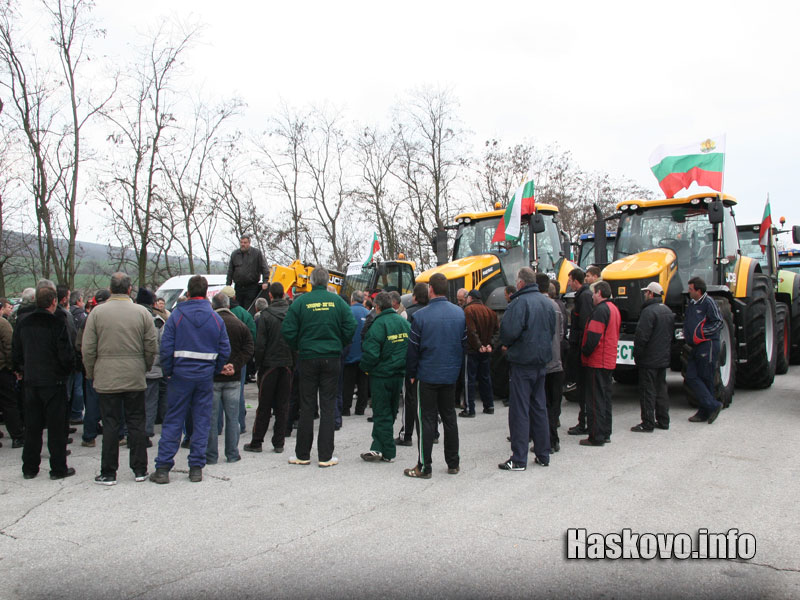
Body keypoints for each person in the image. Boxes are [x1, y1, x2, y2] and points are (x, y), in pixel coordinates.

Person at [150, 275, 231, 484]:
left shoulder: (176, 316)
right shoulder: (215, 319)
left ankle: (163, 468)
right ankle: (196, 467)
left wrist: (168, 370)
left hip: (179, 375)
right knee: (201, 421)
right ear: (205, 293)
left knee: (173, 421)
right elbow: (224, 349)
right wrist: (214, 369)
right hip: (204, 376)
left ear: (188, 291)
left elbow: (166, 348)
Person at [82, 273, 158, 485]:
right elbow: (151, 345)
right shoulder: (142, 312)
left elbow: (88, 348)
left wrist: (91, 372)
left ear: (110, 288)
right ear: (129, 289)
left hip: (107, 375)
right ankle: (140, 469)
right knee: (136, 422)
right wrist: (145, 366)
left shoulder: (97, 313)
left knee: (110, 424)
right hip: (134, 372)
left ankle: (108, 472)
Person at [281, 267, 356, 468]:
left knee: (307, 405)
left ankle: (302, 454)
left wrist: (299, 346)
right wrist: (339, 343)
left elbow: (287, 329)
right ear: (327, 282)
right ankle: (325, 456)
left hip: (307, 357)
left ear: (311, 282)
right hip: (331, 358)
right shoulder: (338, 302)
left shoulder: (300, 302)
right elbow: (350, 326)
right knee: (328, 406)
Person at [404, 273, 466, 479]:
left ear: (430, 289)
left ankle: (424, 465)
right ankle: (453, 463)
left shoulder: (420, 316)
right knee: (449, 417)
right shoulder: (459, 314)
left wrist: (411, 374)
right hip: (449, 375)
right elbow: (463, 345)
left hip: (428, 375)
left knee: (426, 419)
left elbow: (413, 350)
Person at [12, 285, 75, 479]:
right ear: (54, 301)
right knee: (56, 429)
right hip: (53, 381)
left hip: (31, 381)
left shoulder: (23, 322)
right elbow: (65, 354)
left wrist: (20, 369)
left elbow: (16, 350)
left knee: (32, 427)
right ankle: (58, 469)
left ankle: (29, 468)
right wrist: (66, 371)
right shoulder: (57, 323)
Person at [497, 268, 555, 471]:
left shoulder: (519, 303)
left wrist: (507, 345)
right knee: (539, 407)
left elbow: (507, 332)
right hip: (541, 362)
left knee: (520, 410)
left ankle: (519, 458)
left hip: (523, 362)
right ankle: (543, 453)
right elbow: (552, 330)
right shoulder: (547, 303)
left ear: (520, 283)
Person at [359, 292, 410, 463]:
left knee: (381, 413)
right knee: (391, 411)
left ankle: (388, 452)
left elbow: (371, 354)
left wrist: (365, 369)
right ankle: (377, 447)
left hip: (381, 376)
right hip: (398, 375)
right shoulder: (404, 323)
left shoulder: (378, 325)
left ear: (378, 307)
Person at [246, 282, 294, 453]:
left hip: (269, 365)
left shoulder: (265, 315)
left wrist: (258, 365)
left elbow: (260, 344)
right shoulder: (292, 314)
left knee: (264, 405)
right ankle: (279, 442)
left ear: (271, 296)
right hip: (287, 364)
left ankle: (257, 441)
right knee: (283, 405)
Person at [206, 292, 254, 464]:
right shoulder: (240, 324)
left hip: (213, 377)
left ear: (213, 305)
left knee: (211, 418)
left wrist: (218, 366)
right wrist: (235, 365)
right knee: (233, 418)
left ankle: (211, 455)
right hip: (233, 377)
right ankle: (232, 453)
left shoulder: (208, 324)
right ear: (228, 304)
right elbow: (249, 347)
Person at [579, 281, 621, 447]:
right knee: (605, 398)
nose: (592, 296)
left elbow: (593, 338)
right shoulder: (613, 309)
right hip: (608, 359)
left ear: (599, 293)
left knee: (595, 399)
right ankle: (605, 432)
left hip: (598, 360)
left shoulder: (600, 311)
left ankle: (596, 435)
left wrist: (585, 351)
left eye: (594, 293)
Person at [631, 282, 674, 432]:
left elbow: (641, 336)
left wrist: (637, 355)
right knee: (661, 390)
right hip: (662, 358)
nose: (644, 295)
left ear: (651, 294)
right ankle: (663, 420)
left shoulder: (648, 312)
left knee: (647, 391)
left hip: (649, 360)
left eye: (646, 292)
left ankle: (647, 422)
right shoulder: (667, 311)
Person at [683, 276, 723, 424]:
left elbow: (718, 322)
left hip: (708, 345)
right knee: (691, 377)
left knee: (706, 378)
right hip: (694, 345)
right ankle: (711, 406)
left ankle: (706, 410)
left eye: (691, 289)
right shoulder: (692, 304)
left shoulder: (708, 302)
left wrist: (702, 334)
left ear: (698, 291)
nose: (689, 291)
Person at [396, 282, 428, 446]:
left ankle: (406, 434)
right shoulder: (432, 312)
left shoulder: (407, 314)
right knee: (429, 400)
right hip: (429, 362)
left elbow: (404, 340)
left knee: (410, 399)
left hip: (412, 362)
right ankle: (433, 432)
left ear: (414, 296)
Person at [136, 288, 166, 447]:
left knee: (131, 403)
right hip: (152, 368)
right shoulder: (157, 321)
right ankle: (146, 433)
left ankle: (130, 432)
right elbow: (162, 346)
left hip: (133, 368)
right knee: (150, 402)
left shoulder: (131, 317)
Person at [538, 274, 565, 453]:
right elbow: (561, 334)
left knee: (543, 404)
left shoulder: (538, 306)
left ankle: (547, 440)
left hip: (542, 363)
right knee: (554, 404)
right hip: (557, 360)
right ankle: (554, 439)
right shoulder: (556, 306)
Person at [461, 289, 498, 417]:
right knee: (485, 378)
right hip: (486, 350)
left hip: (472, 350)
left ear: (470, 298)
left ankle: (469, 408)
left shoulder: (468, 311)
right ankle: (489, 405)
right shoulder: (490, 312)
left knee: (469, 379)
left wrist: (479, 346)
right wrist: (489, 344)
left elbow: (471, 331)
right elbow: (497, 331)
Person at [566, 268, 594, 436]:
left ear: (576, 280)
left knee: (584, 388)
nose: (569, 284)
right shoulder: (583, 296)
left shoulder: (584, 297)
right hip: (579, 347)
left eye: (569, 280)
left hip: (581, 349)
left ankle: (584, 422)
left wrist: (582, 350)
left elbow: (584, 324)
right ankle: (583, 421)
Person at [341, 291, 370, 416]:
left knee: (348, 383)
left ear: (352, 299)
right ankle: (360, 409)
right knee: (363, 383)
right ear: (363, 300)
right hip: (364, 354)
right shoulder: (368, 314)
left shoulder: (348, 312)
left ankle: (345, 408)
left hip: (350, 354)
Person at [225, 233, 269, 312]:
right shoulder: (235, 254)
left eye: (245, 243)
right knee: (238, 308)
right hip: (238, 287)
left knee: (249, 309)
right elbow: (230, 270)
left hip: (251, 287)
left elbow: (264, 268)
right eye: (241, 242)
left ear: (249, 243)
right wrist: (228, 284)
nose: (243, 244)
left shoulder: (257, 253)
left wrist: (265, 281)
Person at [0, 308, 24, 448]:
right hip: (2, 369)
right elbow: (9, 346)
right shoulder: (3, 324)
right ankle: (17, 436)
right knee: (9, 403)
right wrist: (12, 367)